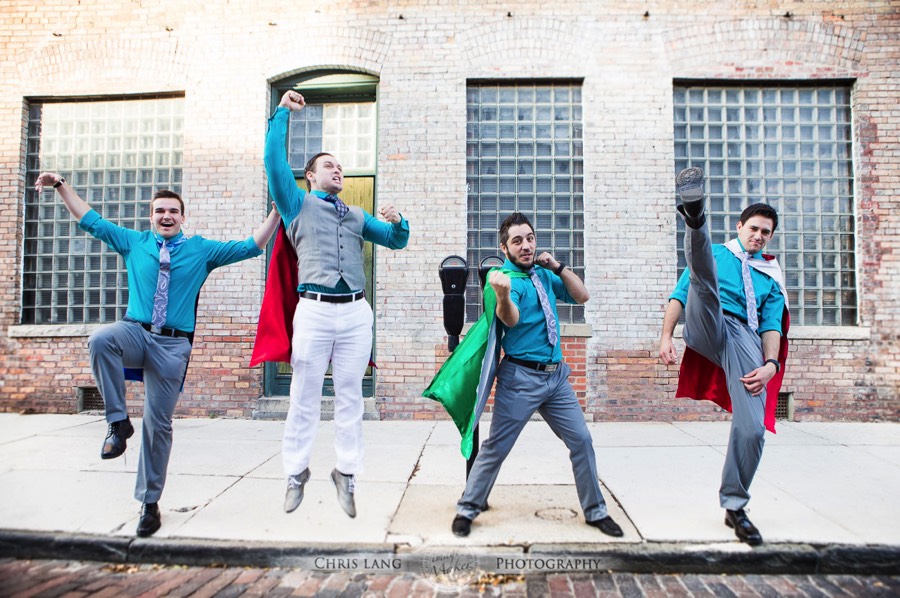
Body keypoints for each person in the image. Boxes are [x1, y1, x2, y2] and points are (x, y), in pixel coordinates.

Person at [33, 172, 281, 537]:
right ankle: (117, 423)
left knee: (158, 425)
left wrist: (276, 212)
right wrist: (60, 186)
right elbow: (90, 219)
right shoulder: (134, 243)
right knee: (102, 340)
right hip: (135, 332)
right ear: (151, 217)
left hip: (171, 346)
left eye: (173, 211)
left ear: (183, 217)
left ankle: (149, 504)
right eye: (160, 211)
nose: (166, 216)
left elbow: (251, 246)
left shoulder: (201, 250)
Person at [260, 90, 409, 518]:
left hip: (357, 313)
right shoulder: (296, 204)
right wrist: (283, 113)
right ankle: (295, 473)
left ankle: (347, 473)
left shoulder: (359, 216)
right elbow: (273, 161)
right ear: (309, 176)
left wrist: (400, 223)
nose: (338, 169)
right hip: (315, 309)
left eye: (340, 166)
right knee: (304, 393)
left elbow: (397, 241)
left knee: (350, 397)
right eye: (329, 164)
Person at [451, 212, 624, 538]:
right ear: (505, 247)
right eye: (517, 241)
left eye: (529, 238)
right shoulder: (503, 280)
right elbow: (510, 319)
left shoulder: (544, 275)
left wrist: (557, 266)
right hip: (521, 379)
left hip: (556, 379)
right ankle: (468, 508)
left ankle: (595, 511)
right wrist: (501, 294)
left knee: (582, 440)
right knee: (496, 447)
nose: (526, 245)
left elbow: (581, 295)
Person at [659, 167, 789, 546]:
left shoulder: (770, 275)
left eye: (766, 232)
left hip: (744, 339)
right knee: (705, 281)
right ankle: (695, 217)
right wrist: (666, 335)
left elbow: (771, 327)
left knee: (752, 428)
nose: (758, 236)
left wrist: (770, 365)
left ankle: (735, 505)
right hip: (706, 321)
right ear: (740, 226)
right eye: (754, 228)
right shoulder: (719, 253)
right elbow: (680, 295)